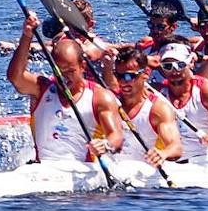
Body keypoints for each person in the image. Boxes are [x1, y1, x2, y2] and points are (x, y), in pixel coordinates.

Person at [7, 12, 124, 163]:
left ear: (82, 66)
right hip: (43, 170)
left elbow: (117, 137)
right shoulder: (41, 89)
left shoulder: (100, 97)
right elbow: (15, 77)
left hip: (84, 173)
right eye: (59, 71)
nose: (64, 77)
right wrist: (27, 35)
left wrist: (106, 144)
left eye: (70, 71)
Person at [157, 43, 208, 160]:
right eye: (168, 66)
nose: (174, 71)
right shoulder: (158, 93)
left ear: (191, 63)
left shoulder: (207, 91)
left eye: (180, 65)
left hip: (201, 159)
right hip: (170, 161)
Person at [109, 47, 183, 167]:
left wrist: (163, 153)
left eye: (129, 76)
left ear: (146, 73)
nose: (123, 82)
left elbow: (176, 147)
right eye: (119, 76)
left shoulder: (158, 109)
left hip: (144, 174)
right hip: (114, 170)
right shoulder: (109, 101)